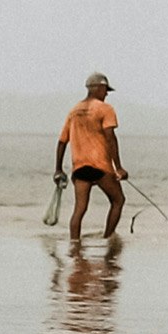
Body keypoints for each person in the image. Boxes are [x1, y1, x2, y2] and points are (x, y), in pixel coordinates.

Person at [58, 73, 130, 236]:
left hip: (79, 167)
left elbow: (62, 141)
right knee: (118, 200)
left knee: (79, 209)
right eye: (106, 90)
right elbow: (110, 137)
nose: (106, 94)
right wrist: (118, 168)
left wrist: (58, 169)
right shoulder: (105, 109)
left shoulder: (74, 110)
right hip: (100, 166)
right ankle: (108, 238)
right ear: (100, 88)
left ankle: (74, 244)